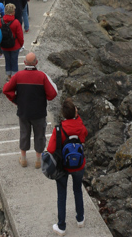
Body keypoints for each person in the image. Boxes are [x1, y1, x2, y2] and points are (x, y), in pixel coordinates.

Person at [3, 52, 57, 169]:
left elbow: (6, 90)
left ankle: (23, 159)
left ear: (24, 63)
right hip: (39, 112)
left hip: (24, 112)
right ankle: (38, 160)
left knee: (24, 133)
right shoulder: (42, 76)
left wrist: (16, 100)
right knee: (39, 135)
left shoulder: (18, 76)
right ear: (36, 62)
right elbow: (52, 94)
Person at [47, 98, 88, 234]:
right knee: (77, 191)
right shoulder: (80, 127)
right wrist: (77, 117)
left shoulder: (59, 129)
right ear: (75, 112)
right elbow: (85, 135)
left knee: (62, 195)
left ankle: (62, 226)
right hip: (78, 165)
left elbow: (51, 149)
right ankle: (80, 219)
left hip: (63, 166)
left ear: (63, 114)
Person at [0, 2, 24, 78]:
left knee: (7, 61)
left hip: (4, 45)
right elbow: (20, 35)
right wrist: (21, 44)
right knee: (14, 61)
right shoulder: (16, 22)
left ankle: (9, 76)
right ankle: (14, 77)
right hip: (14, 46)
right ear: (12, 12)